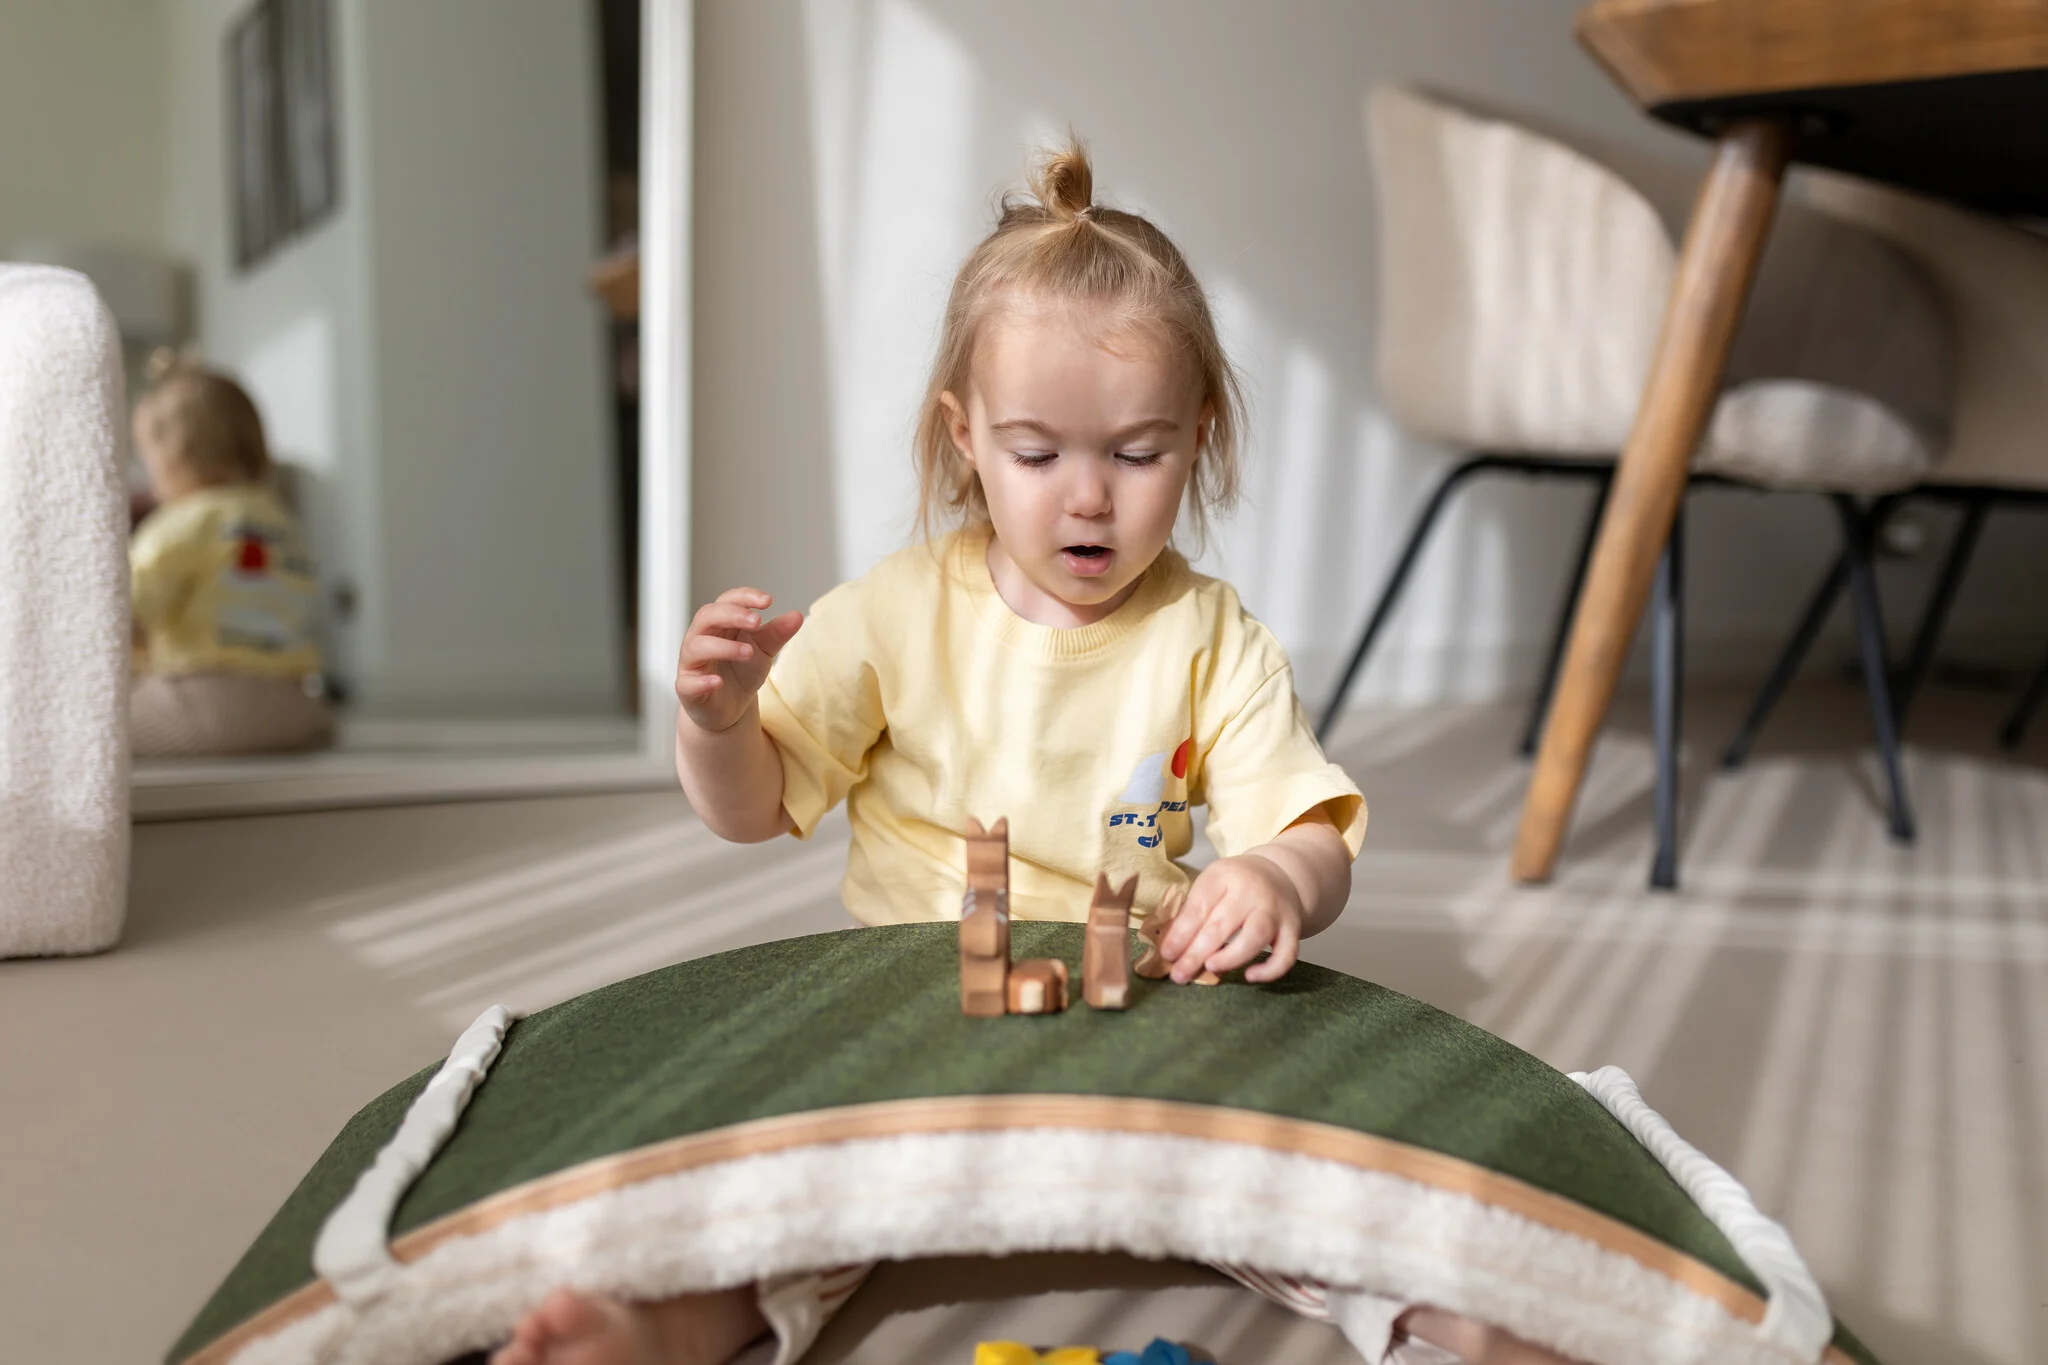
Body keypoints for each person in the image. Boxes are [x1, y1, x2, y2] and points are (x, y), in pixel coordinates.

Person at [492, 141, 1578, 1365]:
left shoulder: (1210, 637)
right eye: (1036, 452)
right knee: (799, 1175)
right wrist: (718, 723)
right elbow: (749, 810)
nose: (1086, 499)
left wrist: (1274, 881)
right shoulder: (891, 613)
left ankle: (1446, 1319)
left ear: (1199, 434)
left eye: (1134, 454)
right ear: (963, 437)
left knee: (1305, 1170)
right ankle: (664, 1320)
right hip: (919, 1019)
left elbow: (1307, 830)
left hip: (1153, 1027)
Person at [128, 361, 333, 758]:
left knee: (91, 732)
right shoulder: (281, 520)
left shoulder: (181, 523)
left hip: (210, 702)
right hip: (293, 702)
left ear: (173, 455)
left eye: (147, 458)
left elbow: (127, 613)